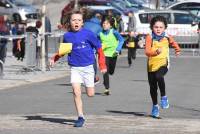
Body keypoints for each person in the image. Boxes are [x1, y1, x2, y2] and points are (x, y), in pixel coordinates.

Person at [50, 10, 107, 127]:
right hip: (75, 68)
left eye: (79, 20)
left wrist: (102, 65)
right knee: (76, 92)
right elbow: (63, 52)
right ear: (70, 22)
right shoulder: (67, 36)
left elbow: (99, 48)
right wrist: (53, 59)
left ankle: (94, 80)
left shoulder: (88, 34)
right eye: (74, 20)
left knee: (90, 94)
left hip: (88, 67)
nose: (76, 22)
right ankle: (80, 117)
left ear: (82, 23)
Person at [145, 15, 181, 118]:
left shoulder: (167, 37)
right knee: (152, 87)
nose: (158, 29)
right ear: (152, 27)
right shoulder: (149, 37)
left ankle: (164, 97)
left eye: (161, 27)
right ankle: (155, 106)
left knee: (159, 76)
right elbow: (147, 52)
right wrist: (155, 52)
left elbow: (174, 43)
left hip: (164, 63)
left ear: (165, 28)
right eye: (156, 27)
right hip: (151, 64)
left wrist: (177, 50)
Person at [98, 16, 124, 95]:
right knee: (105, 71)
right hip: (104, 54)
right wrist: (96, 48)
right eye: (103, 23)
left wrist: (118, 49)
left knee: (111, 71)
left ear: (110, 25)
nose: (105, 25)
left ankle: (106, 79)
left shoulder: (114, 32)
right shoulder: (100, 33)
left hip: (113, 54)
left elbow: (121, 40)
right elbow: (96, 43)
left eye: (107, 23)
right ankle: (107, 88)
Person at [83, 10, 103, 84]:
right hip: (91, 47)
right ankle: (93, 78)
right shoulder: (99, 27)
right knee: (93, 61)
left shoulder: (85, 23)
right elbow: (100, 37)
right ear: (100, 19)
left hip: (81, 44)